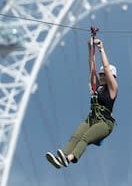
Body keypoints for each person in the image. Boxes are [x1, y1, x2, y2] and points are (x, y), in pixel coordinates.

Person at [45, 37, 118, 168]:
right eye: (100, 75)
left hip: (104, 123)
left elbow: (106, 68)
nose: (101, 76)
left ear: (110, 77)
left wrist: (101, 48)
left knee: (85, 137)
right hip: (91, 119)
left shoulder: (113, 89)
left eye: (104, 75)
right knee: (75, 136)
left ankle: (69, 158)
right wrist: (90, 47)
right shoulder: (97, 87)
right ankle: (61, 159)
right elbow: (92, 64)